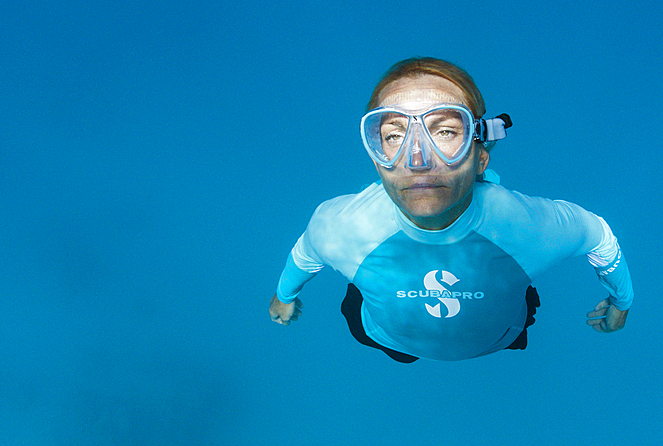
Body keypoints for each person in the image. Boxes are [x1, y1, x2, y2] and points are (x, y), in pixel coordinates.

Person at [269, 57, 633, 362]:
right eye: (393, 135)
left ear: (479, 154)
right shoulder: (342, 226)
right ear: (376, 157)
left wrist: (623, 299)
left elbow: (598, 235)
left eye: (444, 131)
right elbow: (308, 252)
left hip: (502, 336)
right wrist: (284, 295)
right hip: (389, 338)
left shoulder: (527, 227)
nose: (417, 159)